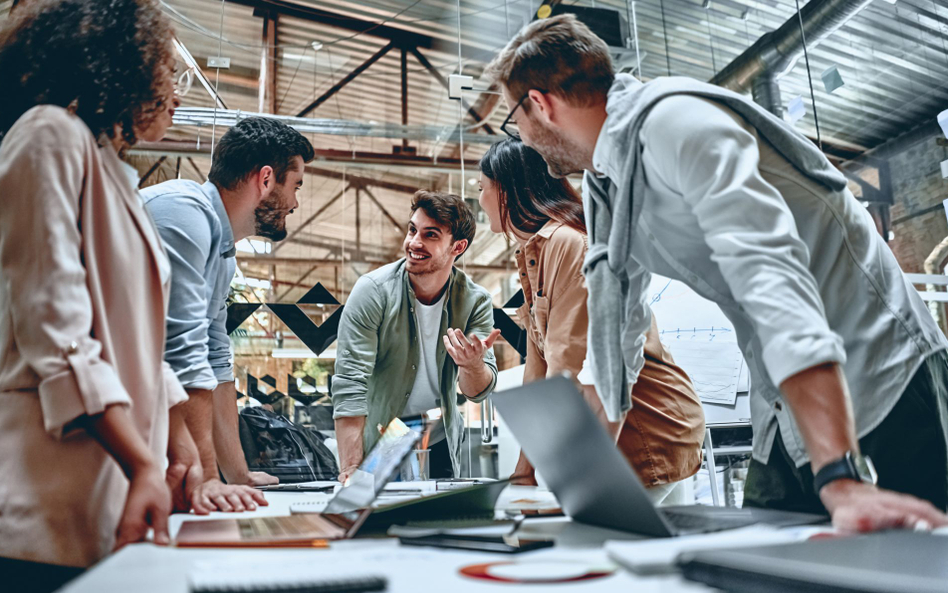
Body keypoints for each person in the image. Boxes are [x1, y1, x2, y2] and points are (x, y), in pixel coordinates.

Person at [486, 14, 948, 531]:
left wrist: (839, 475)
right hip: (783, 394)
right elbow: (613, 332)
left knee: (916, 564)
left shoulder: (677, 123)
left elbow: (772, 279)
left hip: (880, 365)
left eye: (514, 120)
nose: (522, 137)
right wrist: (588, 488)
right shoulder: (605, 185)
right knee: (761, 560)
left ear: (539, 105)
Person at [0, 0, 221, 589]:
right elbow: (57, 328)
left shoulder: (104, 165)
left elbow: (134, 340)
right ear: (119, 61)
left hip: (108, 485)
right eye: (165, 71)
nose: (175, 93)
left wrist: (177, 446)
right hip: (46, 492)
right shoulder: (48, 133)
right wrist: (143, 460)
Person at [478, 139, 705, 504]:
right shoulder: (534, 252)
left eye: (481, 189)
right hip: (632, 431)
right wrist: (523, 471)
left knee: (597, 552)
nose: (479, 200)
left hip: (647, 429)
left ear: (505, 191)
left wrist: (556, 473)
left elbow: (565, 367)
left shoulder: (565, 243)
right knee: (637, 556)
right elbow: (538, 365)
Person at [141, 117, 315, 501]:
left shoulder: (222, 255)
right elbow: (182, 351)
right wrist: (205, 478)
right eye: (296, 185)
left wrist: (237, 475)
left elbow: (215, 357)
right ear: (266, 179)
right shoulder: (183, 213)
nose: (296, 202)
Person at [333, 191, 500, 482]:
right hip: (384, 436)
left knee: (441, 522)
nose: (414, 243)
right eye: (412, 230)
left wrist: (473, 365)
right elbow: (350, 382)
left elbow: (477, 391)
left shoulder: (476, 301)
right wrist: (350, 468)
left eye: (430, 235)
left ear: (457, 247)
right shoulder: (373, 291)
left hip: (439, 436)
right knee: (380, 523)